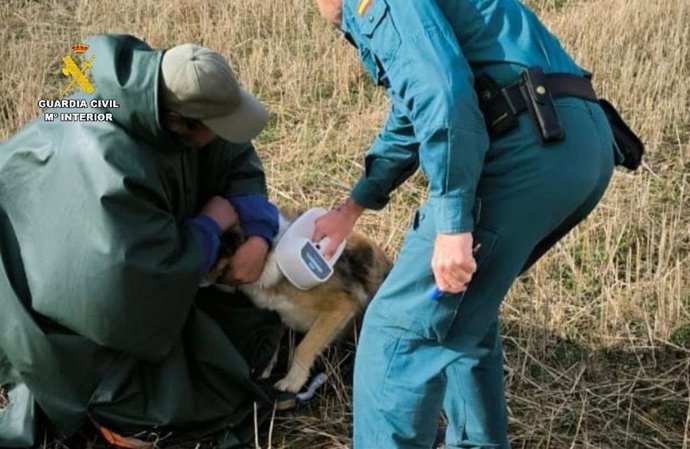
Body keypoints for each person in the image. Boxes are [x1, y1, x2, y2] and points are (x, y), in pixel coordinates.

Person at [310, 1, 616, 447]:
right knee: (462, 312)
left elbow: (443, 92)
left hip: (524, 151)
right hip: (576, 145)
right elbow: (413, 110)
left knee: (397, 333)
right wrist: (353, 205)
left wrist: (453, 224)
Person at [0, 34, 285, 447]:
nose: (222, 135)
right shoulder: (107, 163)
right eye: (213, 128)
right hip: (45, 286)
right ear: (177, 123)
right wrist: (209, 223)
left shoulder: (161, 93)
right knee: (182, 396)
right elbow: (122, 285)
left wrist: (258, 231)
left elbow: (231, 151)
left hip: (115, 249)